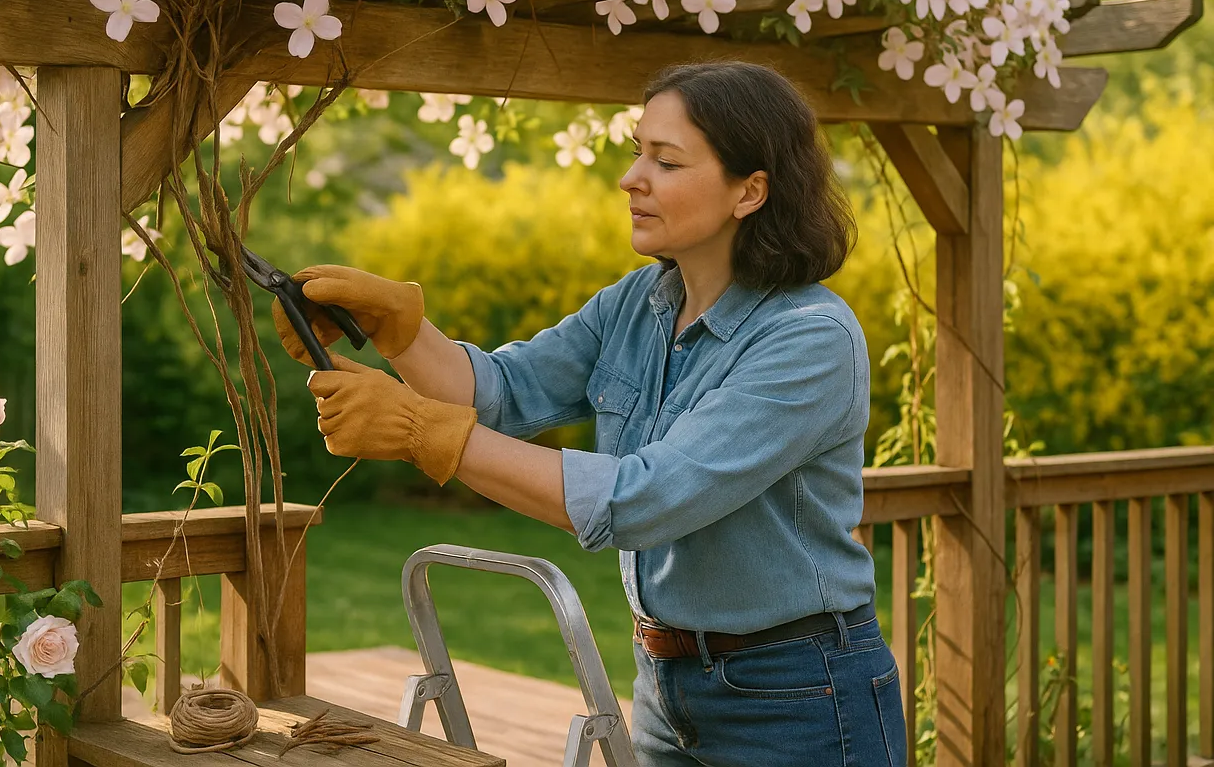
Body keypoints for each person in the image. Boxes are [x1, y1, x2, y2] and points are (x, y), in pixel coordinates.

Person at [270, 61, 906, 767]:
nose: (632, 177)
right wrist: (401, 330)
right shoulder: (639, 304)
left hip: (799, 696)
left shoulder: (809, 339)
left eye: (665, 161)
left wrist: (422, 431)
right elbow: (502, 392)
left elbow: (645, 498)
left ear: (749, 190)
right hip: (667, 685)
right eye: (637, 151)